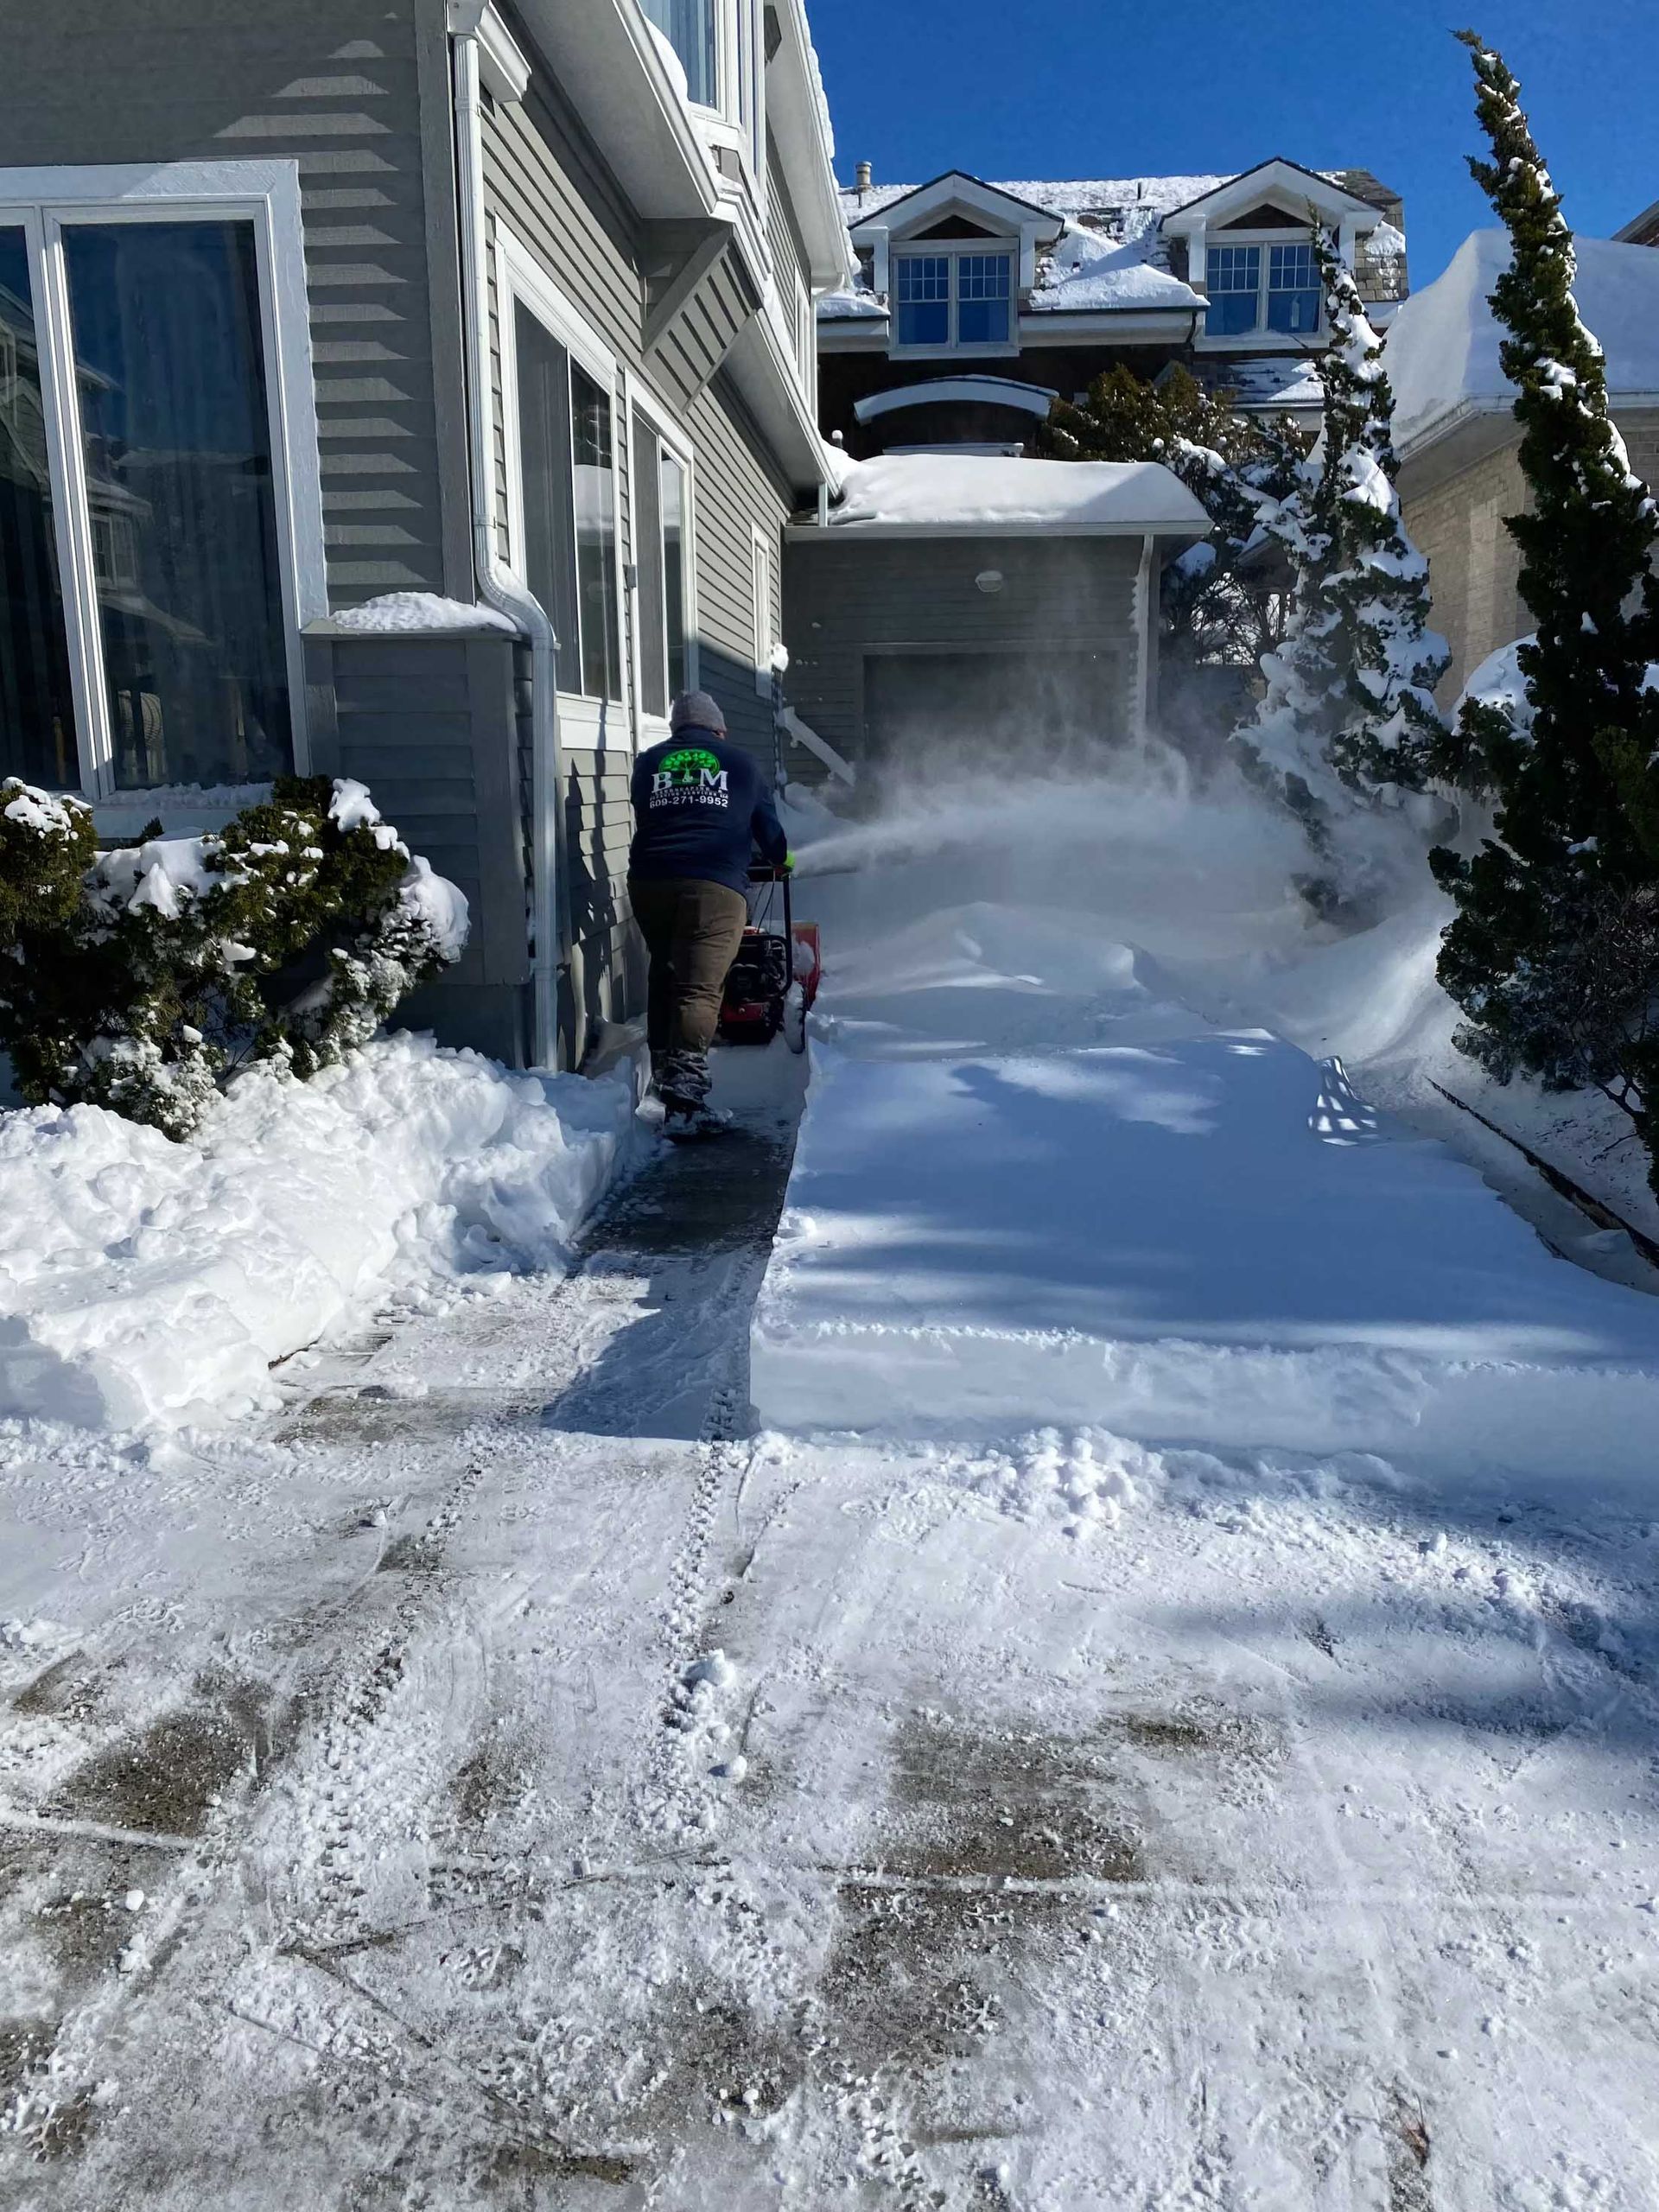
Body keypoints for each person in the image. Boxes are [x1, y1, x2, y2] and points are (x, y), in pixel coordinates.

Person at [628, 690, 789, 1129]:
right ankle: (685, 1106)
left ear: (677, 728)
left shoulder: (647, 764)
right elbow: (771, 834)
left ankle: (665, 1071)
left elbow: (655, 816)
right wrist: (779, 857)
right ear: (717, 728)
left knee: (664, 968)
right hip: (714, 884)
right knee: (699, 988)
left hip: (650, 882)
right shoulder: (740, 763)